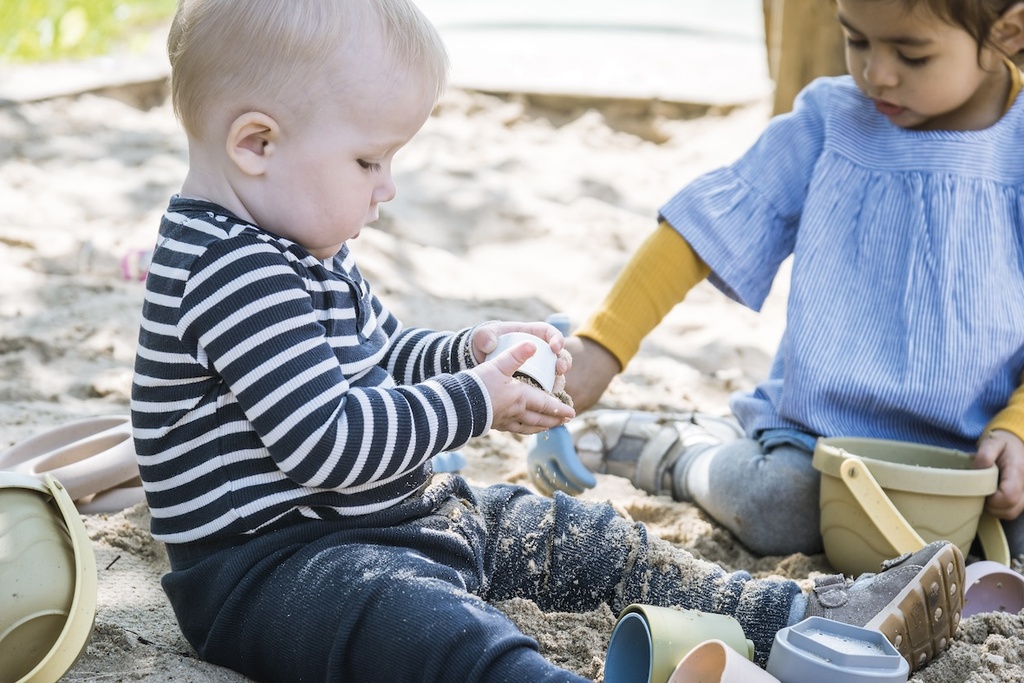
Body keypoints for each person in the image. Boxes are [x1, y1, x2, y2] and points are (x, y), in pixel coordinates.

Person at [131, 1, 965, 680]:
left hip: (389, 520)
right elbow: (330, 442)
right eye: (367, 161)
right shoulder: (232, 274)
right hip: (281, 572)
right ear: (256, 144)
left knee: (583, 536)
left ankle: (798, 613)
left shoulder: (295, 246)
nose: (387, 189)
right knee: (427, 628)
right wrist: (478, 400)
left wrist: (467, 351)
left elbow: (381, 356)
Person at [544, 0, 1024, 559]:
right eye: (858, 41)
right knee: (776, 508)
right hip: (823, 441)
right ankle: (684, 452)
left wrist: (1016, 428)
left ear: (1007, 32)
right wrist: (604, 344)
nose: (876, 74)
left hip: (975, 456)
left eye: (911, 55)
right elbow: (704, 231)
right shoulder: (831, 123)